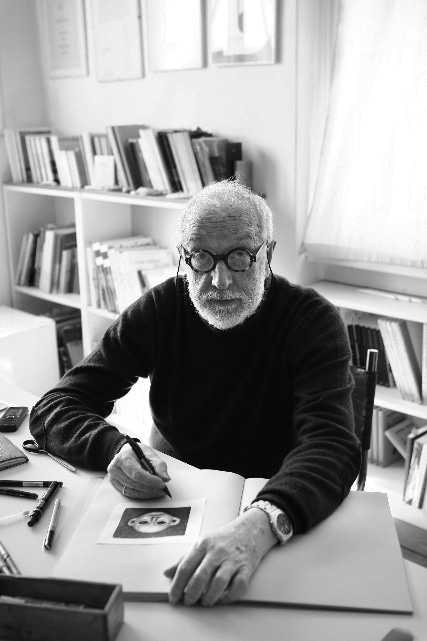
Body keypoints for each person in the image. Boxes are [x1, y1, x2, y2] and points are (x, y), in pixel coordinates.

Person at [30, 179, 360, 607]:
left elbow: (333, 445)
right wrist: (114, 448)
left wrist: (262, 523)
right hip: (172, 492)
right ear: (183, 258)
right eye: (202, 258)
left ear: (269, 255)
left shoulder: (312, 321)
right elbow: (55, 406)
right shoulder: (160, 309)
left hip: (275, 499)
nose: (220, 281)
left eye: (240, 257)